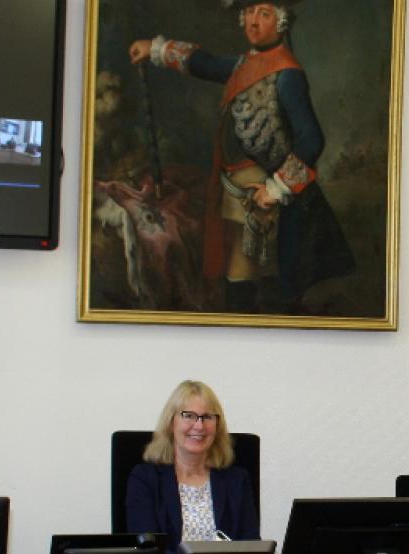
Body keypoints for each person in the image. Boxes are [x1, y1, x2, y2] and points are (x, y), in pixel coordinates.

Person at [128, 1, 353, 314]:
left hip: (265, 197)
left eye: (264, 14)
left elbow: (311, 139)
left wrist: (276, 188)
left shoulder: (288, 75)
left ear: (281, 21)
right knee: (246, 270)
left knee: (256, 273)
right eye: (249, 13)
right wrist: (155, 49)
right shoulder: (245, 63)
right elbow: (205, 63)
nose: (253, 22)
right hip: (235, 190)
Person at [126, 380, 258, 551]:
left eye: (207, 417)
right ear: (171, 422)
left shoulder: (237, 480)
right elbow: (148, 549)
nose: (199, 426)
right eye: (188, 416)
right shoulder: (145, 480)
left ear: (217, 426)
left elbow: (252, 545)